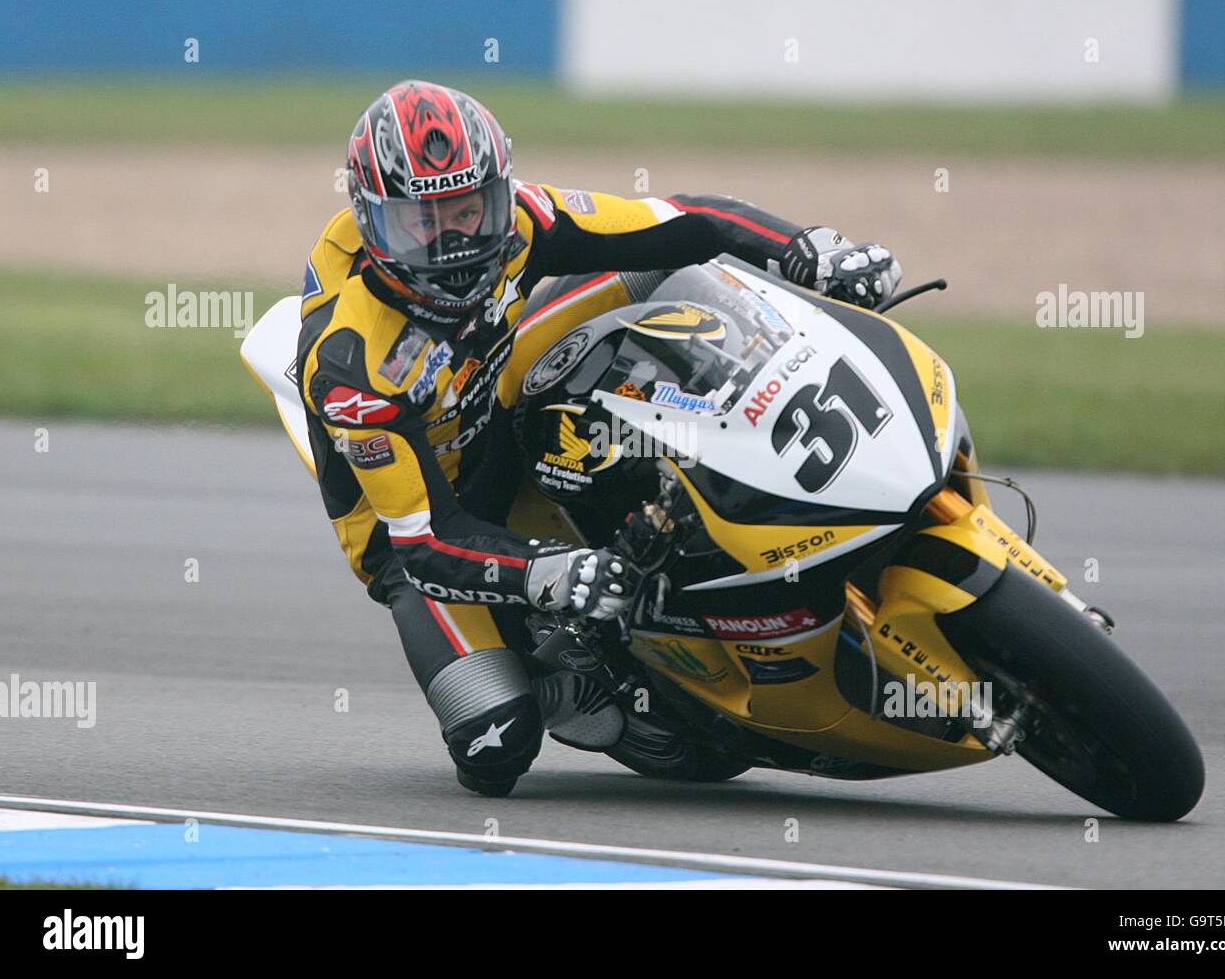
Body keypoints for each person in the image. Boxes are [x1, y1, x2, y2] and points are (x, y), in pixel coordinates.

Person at [298, 79, 902, 795]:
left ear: (499, 190)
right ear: (370, 222)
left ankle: (751, 422)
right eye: (421, 224)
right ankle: (570, 689)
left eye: (469, 209)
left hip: (491, 392)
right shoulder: (349, 362)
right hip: (422, 527)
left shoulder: (520, 220)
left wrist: (806, 248)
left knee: (661, 262)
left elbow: (684, 219)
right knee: (494, 743)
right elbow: (423, 540)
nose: (455, 242)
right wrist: (542, 572)